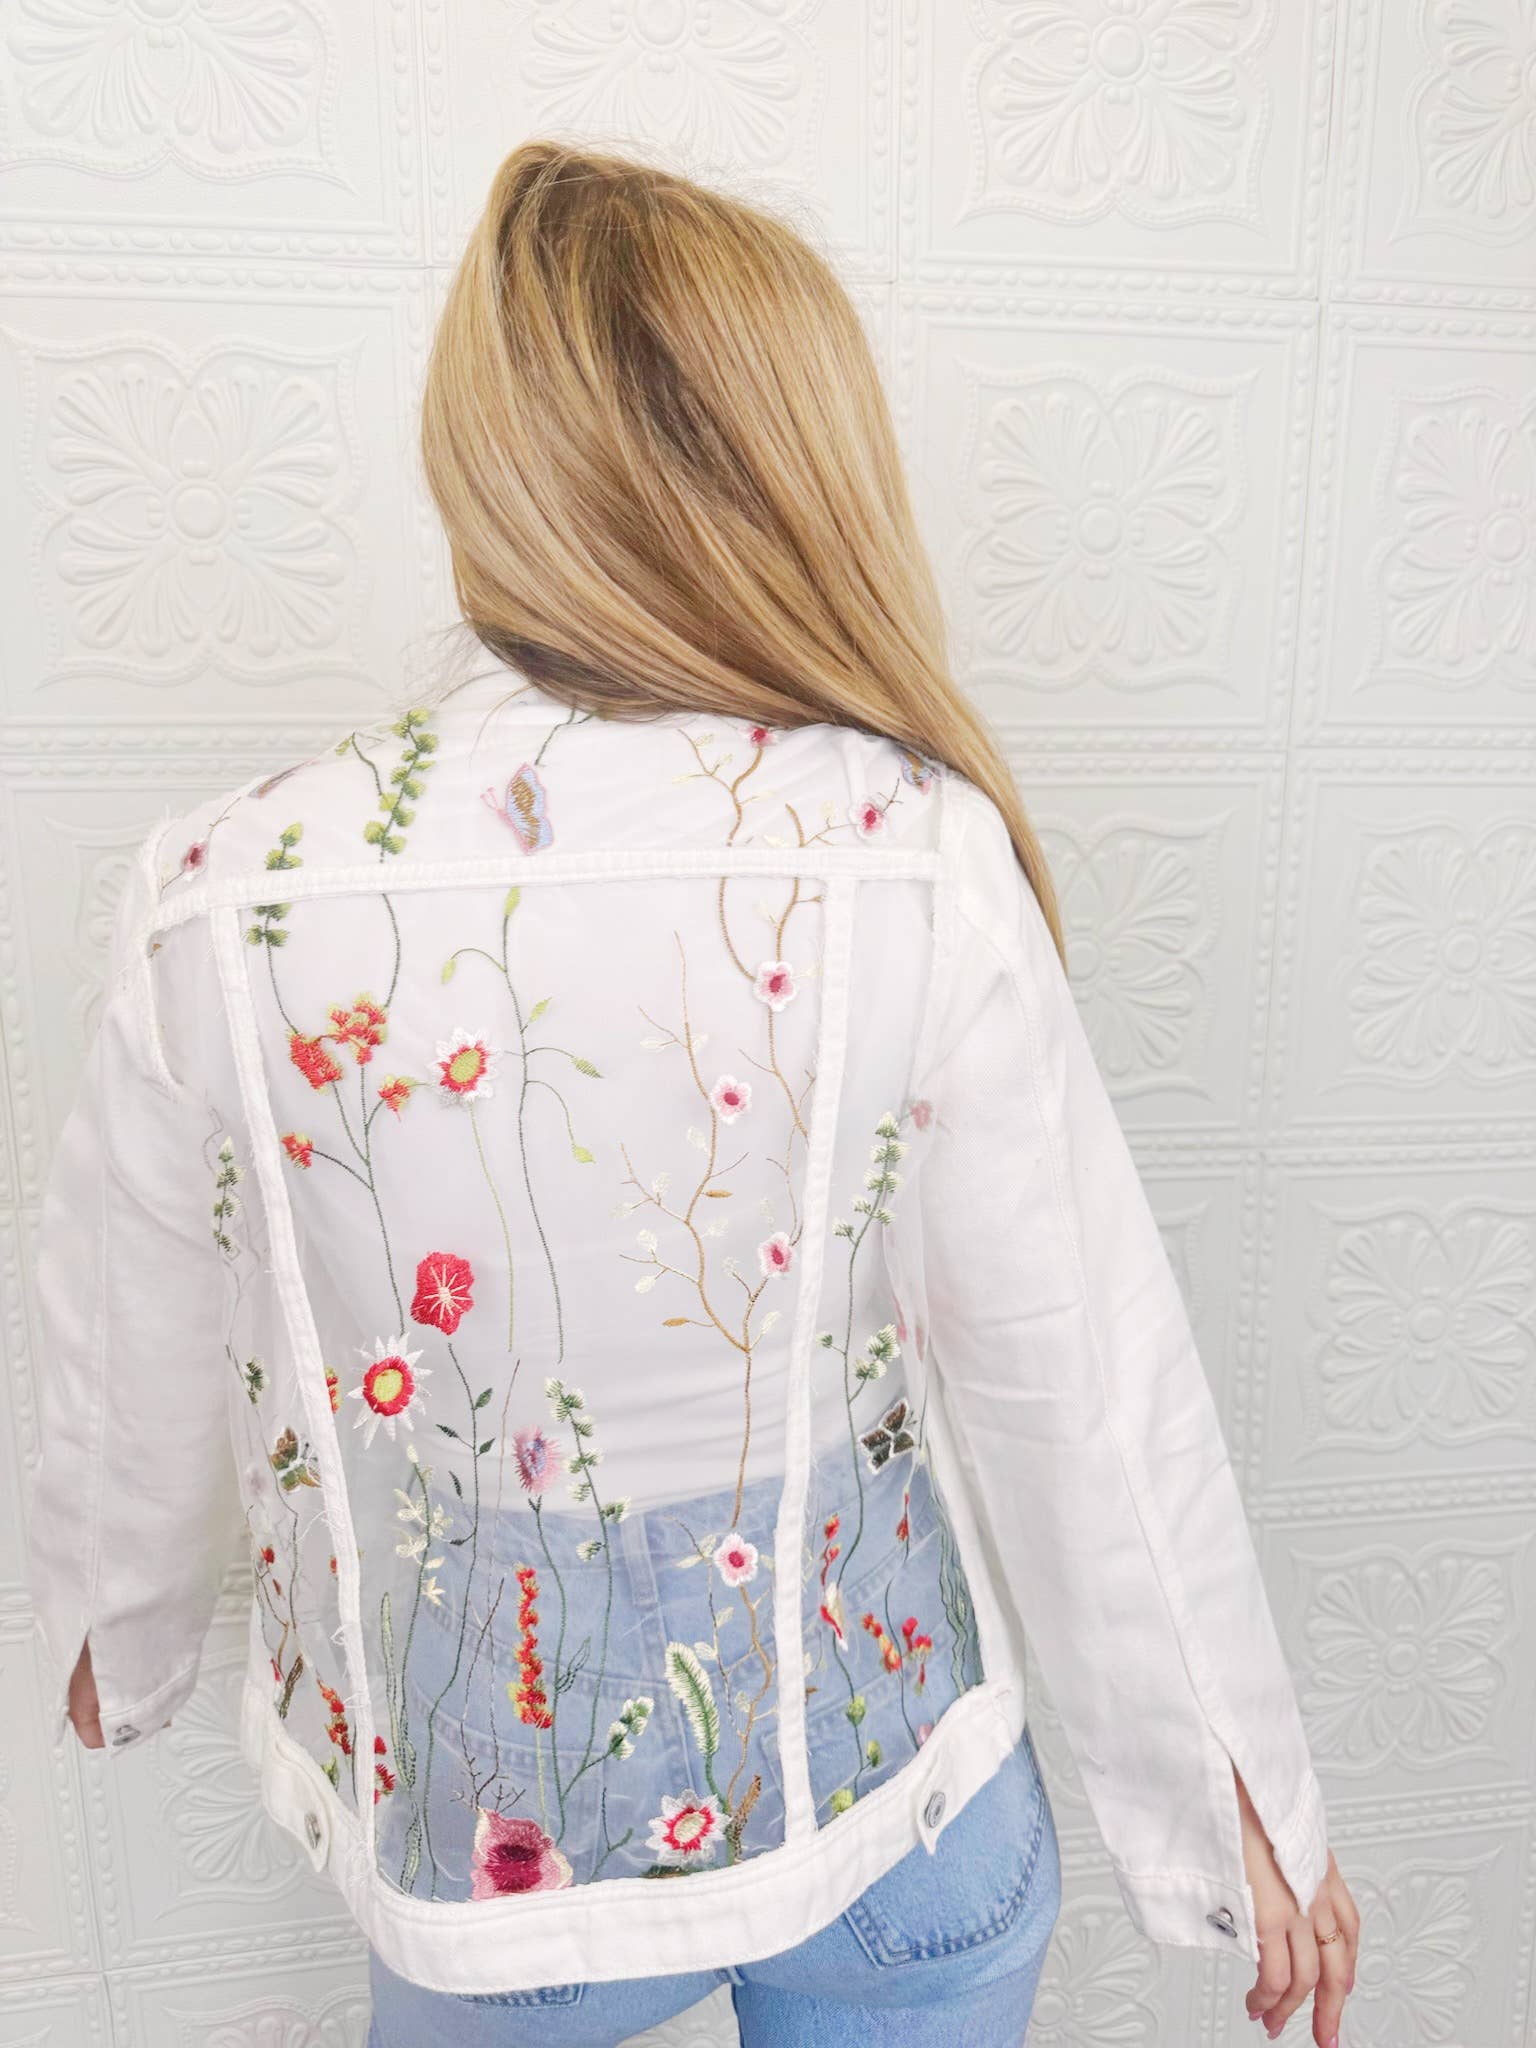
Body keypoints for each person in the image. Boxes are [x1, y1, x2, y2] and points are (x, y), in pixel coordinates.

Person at [27, 142, 1358, 2048]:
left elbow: (121, 1335)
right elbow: (1082, 1382)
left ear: (477, 462)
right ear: (794, 469)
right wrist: (1240, 1798)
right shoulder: (910, 853)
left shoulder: (235, 888)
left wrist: (117, 1623)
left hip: (506, 1868)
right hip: (905, 1821)